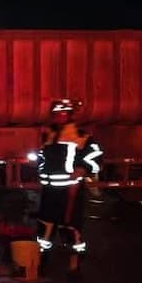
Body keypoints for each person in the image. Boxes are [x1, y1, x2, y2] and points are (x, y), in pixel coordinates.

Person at [34, 99, 103, 274]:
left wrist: (83, 169)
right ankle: (41, 257)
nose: (60, 117)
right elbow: (41, 158)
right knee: (46, 224)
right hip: (49, 191)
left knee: (71, 226)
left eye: (64, 114)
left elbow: (96, 157)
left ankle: (76, 260)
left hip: (70, 191)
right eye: (57, 114)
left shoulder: (81, 136)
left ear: (70, 115)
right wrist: (41, 172)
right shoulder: (47, 136)